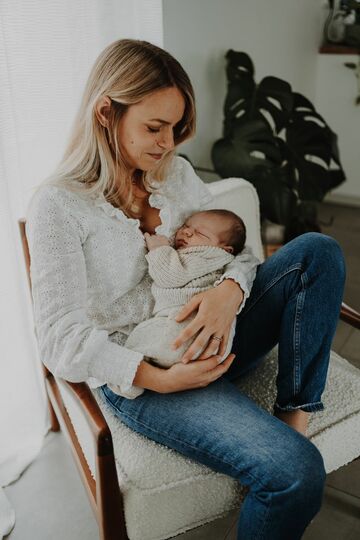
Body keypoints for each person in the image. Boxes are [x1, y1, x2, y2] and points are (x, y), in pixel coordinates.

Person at [26, 38, 345, 540]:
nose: (167, 144)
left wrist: (229, 296)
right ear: (106, 113)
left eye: (176, 129)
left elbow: (238, 249)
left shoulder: (174, 174)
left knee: (317, 252)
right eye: (154, 127)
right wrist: (160, 380)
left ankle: (295, 412)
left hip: (221, 330)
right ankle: (285, 455)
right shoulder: (58, 207)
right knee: (295, 474)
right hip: (151, 371)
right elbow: (59, 339)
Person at [109, 209, 249, 397]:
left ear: (224, 250)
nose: (186, 232)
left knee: (140, 343)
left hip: (183, 327)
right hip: (209, 343)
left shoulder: (205, 256)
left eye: (200, 233)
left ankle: (125, 384)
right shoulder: (216, 255)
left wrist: (159, 250)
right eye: (185, 226)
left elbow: (169, 276)